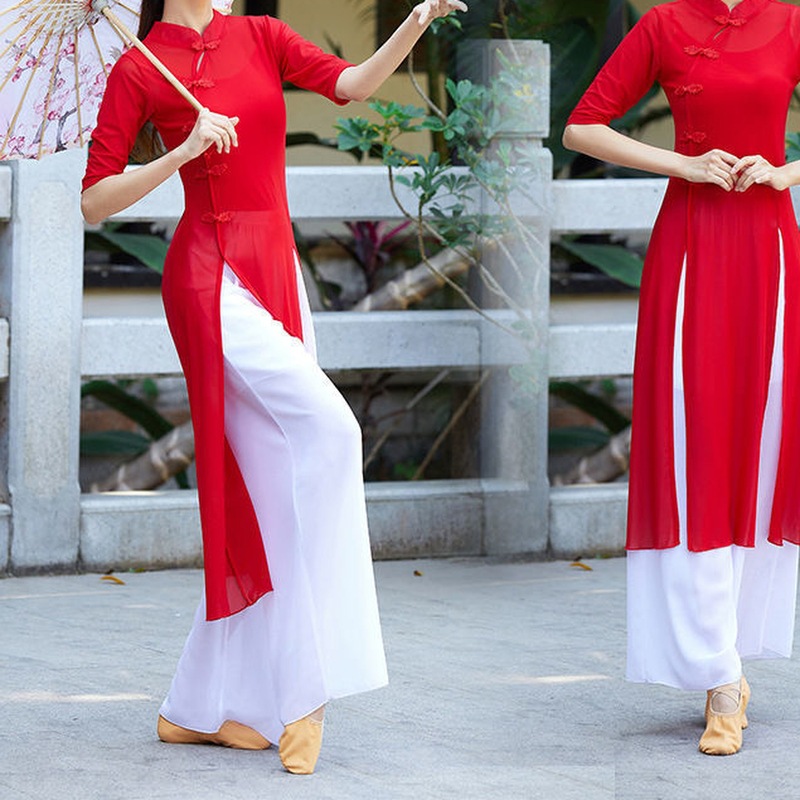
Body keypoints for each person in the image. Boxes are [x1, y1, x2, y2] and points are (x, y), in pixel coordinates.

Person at [81, 0, 467, 774]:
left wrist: (417, 20)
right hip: (208, 278)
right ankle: (305, 689)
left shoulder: (260, 34)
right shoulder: (139, 65)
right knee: (333, 432)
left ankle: (196, 707)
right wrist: (182, 150)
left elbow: (353, 85)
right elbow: (94, 200)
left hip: (276, 272)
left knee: (267, 490)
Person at [563, 0, 800, 756]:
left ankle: (729, 654)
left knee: (759, 447)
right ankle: (719, 678)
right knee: (695, 449)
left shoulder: (790, 22)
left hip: (770, 250)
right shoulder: (665, 24)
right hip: (692, 249)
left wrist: (785, 170)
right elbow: (582, 128)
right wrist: (687, 164)